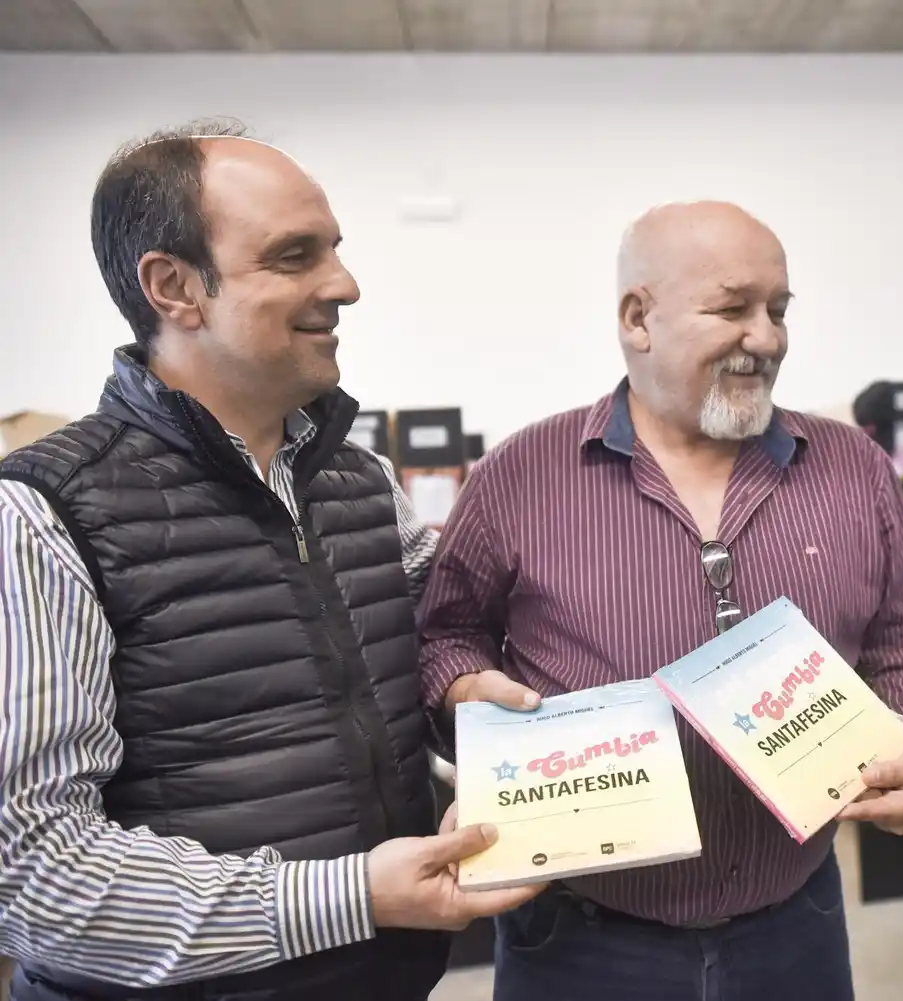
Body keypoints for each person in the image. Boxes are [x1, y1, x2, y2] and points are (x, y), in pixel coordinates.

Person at [0, 120, 541, 1001]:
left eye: (336, 249)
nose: (346, 284)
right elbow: (32, 874)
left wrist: (466, 697)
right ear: (174, 287)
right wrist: (352, 897)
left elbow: (424, 674)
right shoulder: (42, 514)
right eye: (295, 256)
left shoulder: (363, 482)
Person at [418, 200, 903, 1000]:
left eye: (778, 310)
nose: (767, 337)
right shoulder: (520, 476)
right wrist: (467, 690)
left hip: (797, 929)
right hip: (580, 943)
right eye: (733, 308)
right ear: (638, 318)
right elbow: (445, 635)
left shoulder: (856, 469)